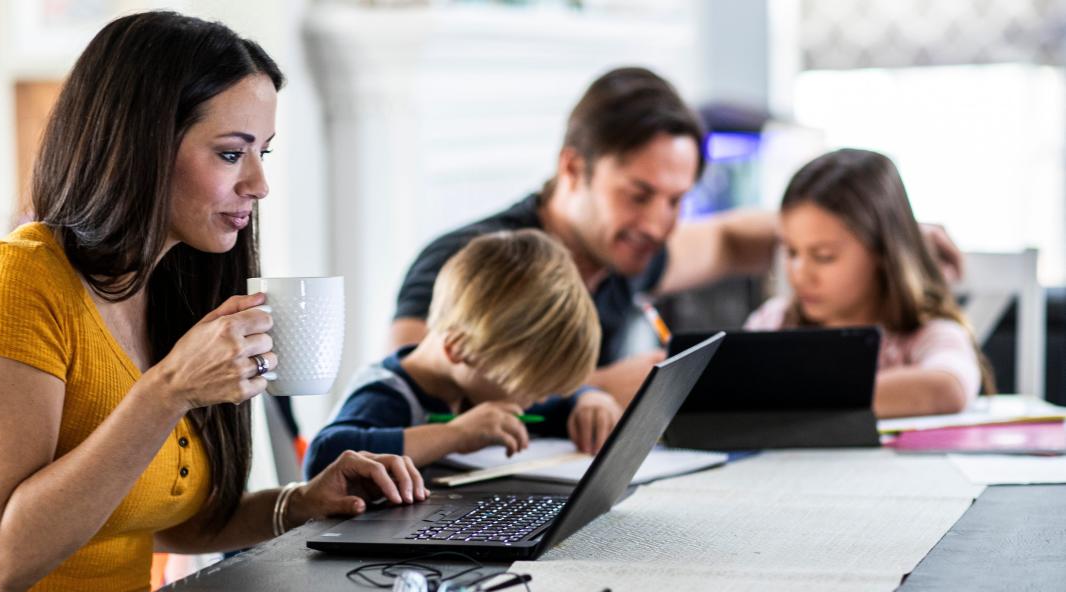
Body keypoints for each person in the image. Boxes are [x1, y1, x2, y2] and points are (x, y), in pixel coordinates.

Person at [0, 12, 425, 592]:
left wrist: (300, 503)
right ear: (142, 145)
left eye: (262, 152)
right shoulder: (17, 282)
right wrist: (168, 392)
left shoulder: (171, 287)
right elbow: (7, 558)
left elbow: (166, 522)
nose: (260, 183)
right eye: (231, 153)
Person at [390, 67, 964, 409]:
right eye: (639, 194)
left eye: (677, 199)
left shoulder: (628, 251)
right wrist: (604, 386)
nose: (662, 224)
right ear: (572, 169)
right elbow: (421, 399)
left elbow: (738, 238)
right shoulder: (466, 265)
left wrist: (889, 233)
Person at [304, 230, 622, 478]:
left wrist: (588, 399)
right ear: (460, 348)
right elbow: (324, 455)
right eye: (533, 389)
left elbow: (553, 408)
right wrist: (454, 434)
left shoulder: (473, 384)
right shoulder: (386, 394)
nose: (538, 401)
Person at [744, 148, 990, 418]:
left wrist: (795, 394)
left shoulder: (925, 335)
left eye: (824, 256)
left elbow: (948, 388)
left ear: (882, 253)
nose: (799, 274)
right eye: (791, 252)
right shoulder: (774, 322)